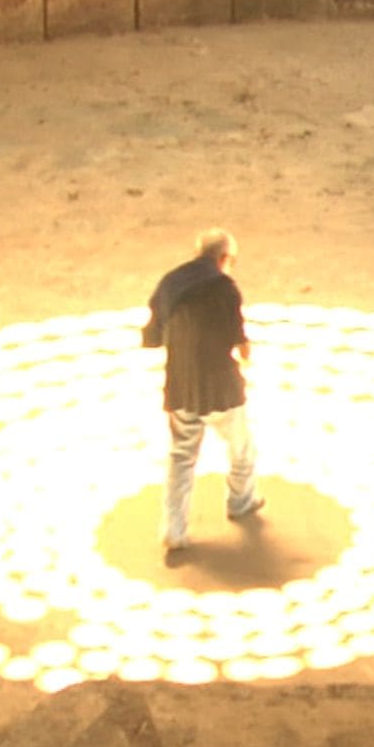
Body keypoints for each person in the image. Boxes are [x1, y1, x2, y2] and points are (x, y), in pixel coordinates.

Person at [142, 228, 261, 558]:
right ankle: (241, 501)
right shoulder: (224, 289)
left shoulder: (170, 284)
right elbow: (237, 338)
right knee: (242, 448)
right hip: (219, 390)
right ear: (224, 259)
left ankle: (173, 530)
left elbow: (152, 336)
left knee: (181, 458)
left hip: (180, 386)